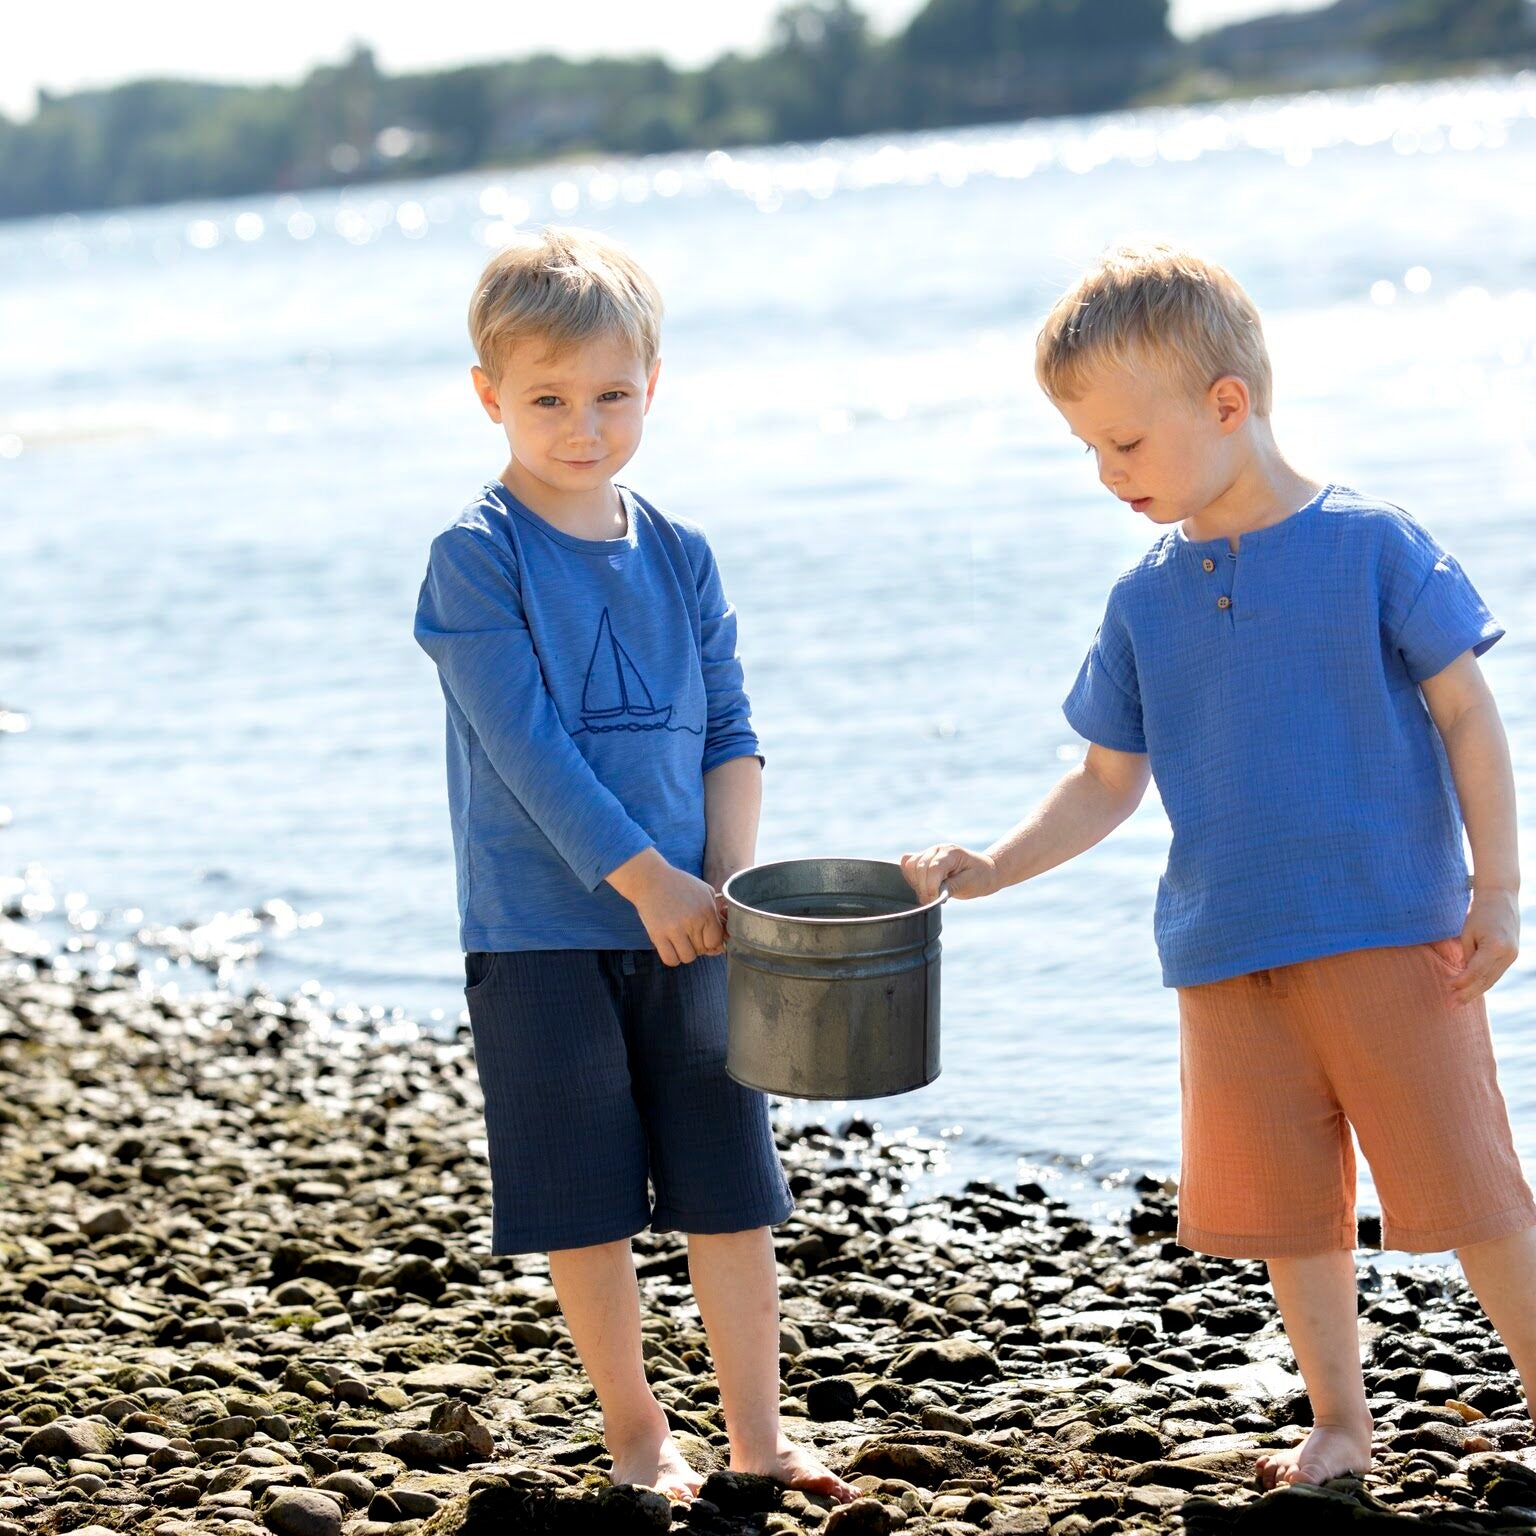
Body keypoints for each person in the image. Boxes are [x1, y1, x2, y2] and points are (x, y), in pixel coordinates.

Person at [901, 242, 1535, 1488]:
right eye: (1087, 448)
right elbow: (1106, 780)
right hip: (1226, 954)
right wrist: (995, 866)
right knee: (1293, 1212)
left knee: (1473, 1189)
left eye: (1126, 443)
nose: (1107, 473)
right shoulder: (1144, 600)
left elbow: (1470, 714)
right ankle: (1340, 1422)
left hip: (1389, 934)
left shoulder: (1371, 546)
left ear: (1228, 404)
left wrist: (1500, 889)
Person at [413, 225, 853, 1505]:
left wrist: (726, 888)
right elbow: (528, 750)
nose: (585, 426)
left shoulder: (681, 552)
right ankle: (636, 1430)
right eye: (548, 399)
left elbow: (731, 730)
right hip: (540, 933)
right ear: (490, 395)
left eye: (612, 395)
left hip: (696, 927)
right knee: (584, 1198)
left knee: (730, 1188)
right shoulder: (477, 554)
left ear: (652, 385)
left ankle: (759, 1436)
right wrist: (646, 879)